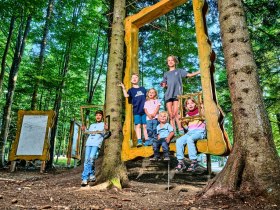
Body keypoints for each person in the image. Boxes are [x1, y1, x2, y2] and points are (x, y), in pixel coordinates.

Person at [161, 55, 200, 136]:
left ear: (175, 62)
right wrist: (163, 84)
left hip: (177, 95)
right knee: (171, 115)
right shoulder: (166, 73)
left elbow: (189, 75)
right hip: (168, 95)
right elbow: (164, 83)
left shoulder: (179, 71)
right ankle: (173, 132)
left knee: (176, 113)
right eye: (169, 60)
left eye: (172, 60)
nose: (170, 61)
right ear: (167, 63)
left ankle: (181, 130)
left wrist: (199, 71)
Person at [175, 97, 206, 172]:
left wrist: (202, 107)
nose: (190, 105)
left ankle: (194, 161)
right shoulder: (187, 115)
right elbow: (186, 127)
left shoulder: (199, 112)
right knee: (179, 141)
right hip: (189, 132)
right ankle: (181, 162)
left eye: (192, 103)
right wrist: (182, 122)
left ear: (195, 104)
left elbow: (204, 116)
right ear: (186, 106)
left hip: (199, 132)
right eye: (188, 104)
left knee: (190, 139)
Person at [118, 73, 148, 147]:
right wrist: (123, 88)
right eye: (133, 78)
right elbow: (126, 95)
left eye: (136, 77)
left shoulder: (143, 89)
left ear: (138, 79)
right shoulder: (131, 90)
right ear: (131, 80)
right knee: (138, 125)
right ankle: (139, 140)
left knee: (145, 125)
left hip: (145, 110)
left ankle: (147, 140)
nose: (134, 79)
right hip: (136, 111)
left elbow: (148, 97)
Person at [81, 110, 108, 186]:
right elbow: (88, 133)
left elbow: (105, 135)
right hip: (89, 143)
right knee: (86, 160)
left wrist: (106, 129)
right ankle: (86, 178)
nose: (98, 116)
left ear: (102, 116)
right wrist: (84, 130)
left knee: (92, 158)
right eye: (97, 115)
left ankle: (90, 175)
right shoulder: (92, 125)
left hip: (96, 143)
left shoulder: (104, 124)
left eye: (100, 115)